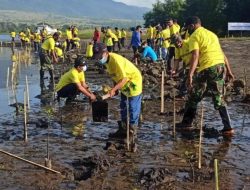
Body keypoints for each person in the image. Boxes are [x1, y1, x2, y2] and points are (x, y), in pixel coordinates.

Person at [177, 16, 235, 135]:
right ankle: (228, 128)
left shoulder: (195, 36)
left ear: (192, 25)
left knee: (194, 94)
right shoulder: (212, 34)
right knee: (218, 97)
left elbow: (195, 55)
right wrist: (228, 70)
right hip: (220, 66)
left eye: (188, 27)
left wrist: (190, 74)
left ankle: (187, 123)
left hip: (208, 68)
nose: (188, 30)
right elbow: (222, 53)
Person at [95, 43, 143, 152]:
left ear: (106, 53)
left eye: (99, 56)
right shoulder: (106, 62)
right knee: (123, 106)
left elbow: (124, 79)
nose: (99, 59)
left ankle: (132, 133)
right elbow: (115, 76)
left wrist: (113, 89)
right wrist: (114, 88)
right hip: (123, 84)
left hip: (133, 81)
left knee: (132, 107)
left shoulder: (115, 61)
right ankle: (123, 129)